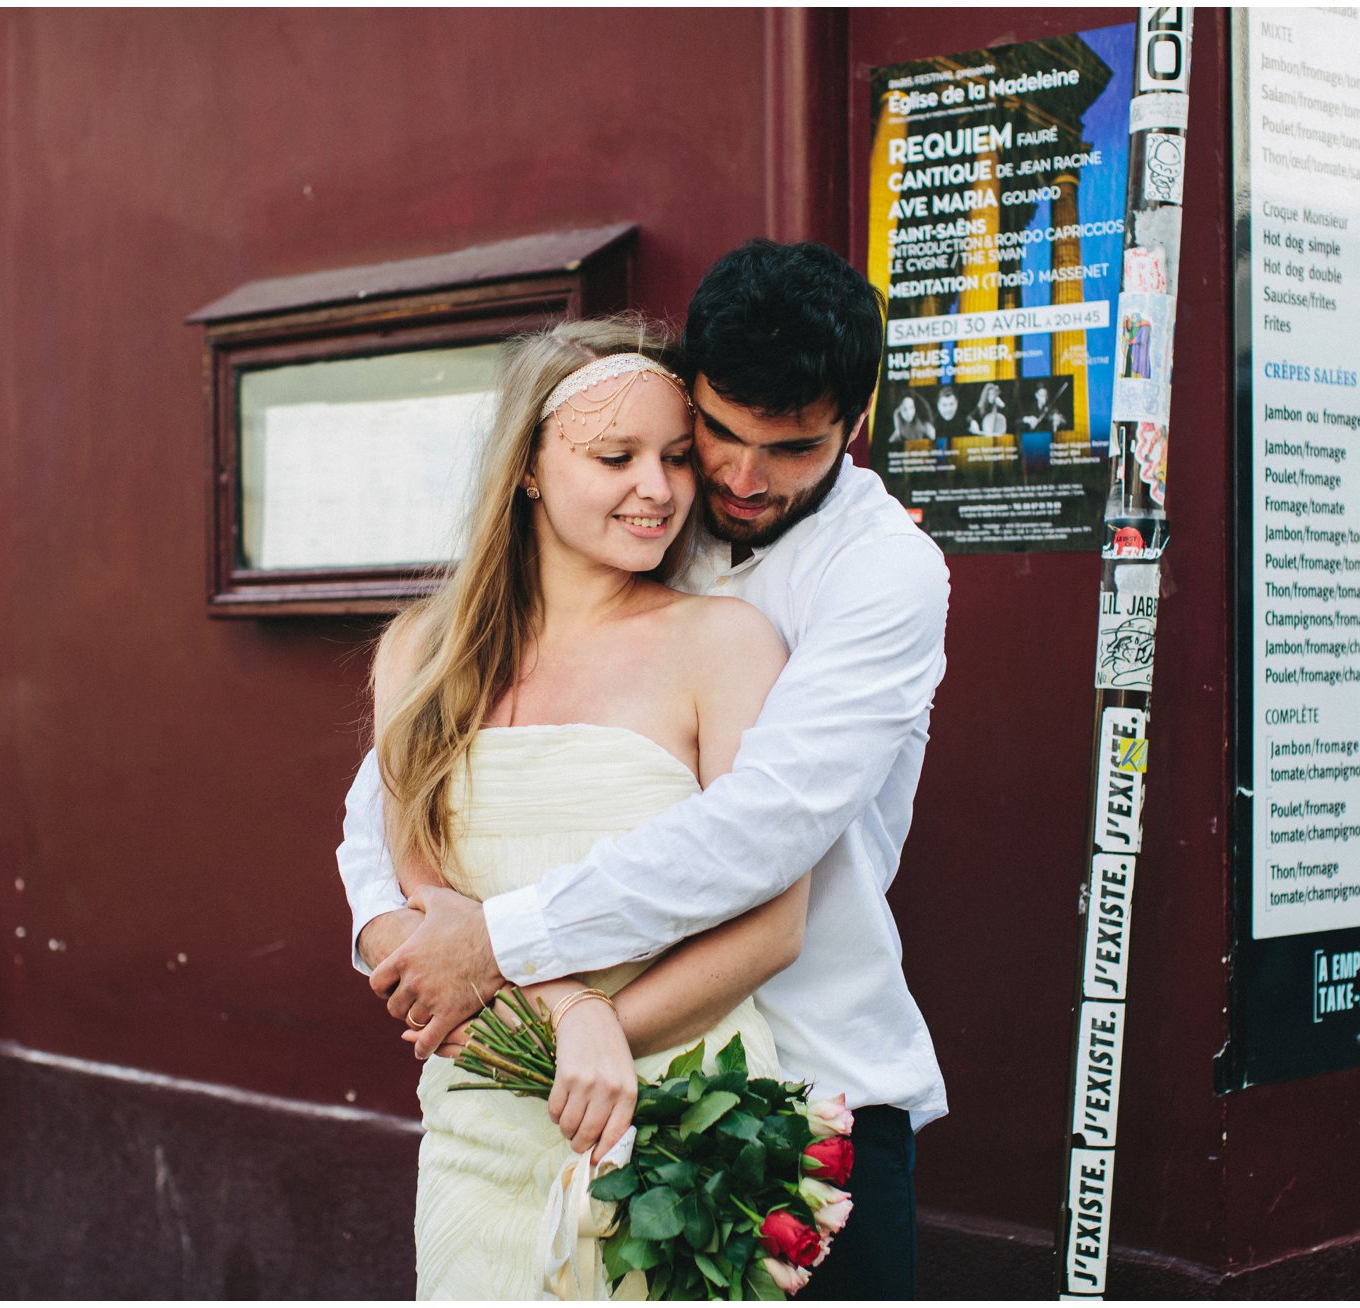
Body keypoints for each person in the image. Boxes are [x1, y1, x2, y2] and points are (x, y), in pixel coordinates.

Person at [343, 239, 950, 1299]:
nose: (736, 478)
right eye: (713, 434)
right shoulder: (640, 535)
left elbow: (766, 828)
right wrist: (392, 933)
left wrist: (510, 957)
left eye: (793, 448)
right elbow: (387, 804)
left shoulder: (879, 571)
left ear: (854, 426)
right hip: (539, 1079)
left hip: (806, 1080)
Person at [368, 316, 806, 1298]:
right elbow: (424, 915)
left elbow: (776, 920)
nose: (657, 489)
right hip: (484, 1121)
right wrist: (573, 1015)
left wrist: (619, 1026)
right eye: (616, 456)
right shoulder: (420, 655)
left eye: (677, 459)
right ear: (526, 466)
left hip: (689, 1118)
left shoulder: (725, 645)